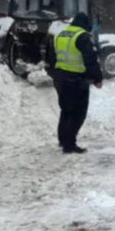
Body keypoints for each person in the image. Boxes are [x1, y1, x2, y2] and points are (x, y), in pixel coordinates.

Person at [44, 12, 103, 154]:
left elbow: (50, 56)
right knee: (78, 113)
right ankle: (69, 144)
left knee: (66, 110)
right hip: (76, 79)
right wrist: (97, 78)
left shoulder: (60, 34)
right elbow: (90, 59)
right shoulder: (82, 36)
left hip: (60, 77)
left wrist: (54, 74)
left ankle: (63, 139)